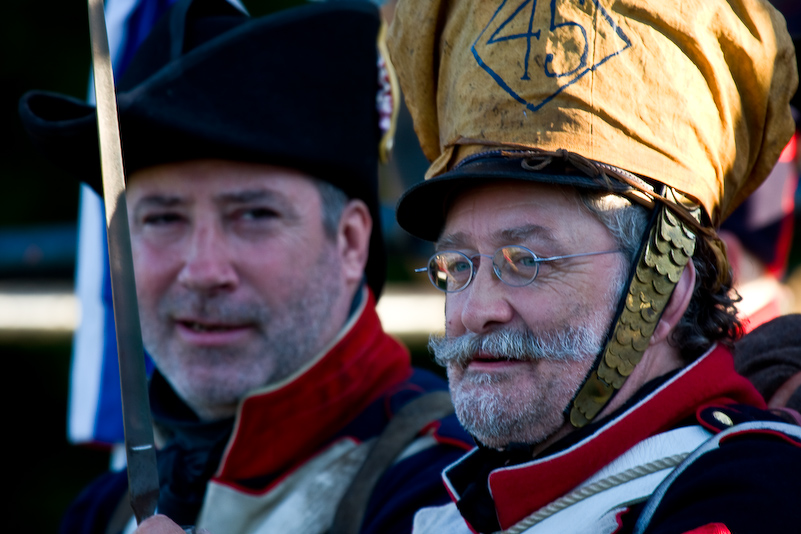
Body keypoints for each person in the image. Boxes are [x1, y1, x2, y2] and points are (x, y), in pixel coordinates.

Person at [18, 1, 472, 533]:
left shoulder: (451, 490)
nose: (204, 271)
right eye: (163, 219)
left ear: (350, 241)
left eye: (253, 215)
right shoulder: (104, 512)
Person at [385, 0, 801, 532]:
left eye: (526, 261)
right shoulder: (452, 506)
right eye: (458, 265)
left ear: (663, 292)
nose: (476, 310)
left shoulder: (751, 497)